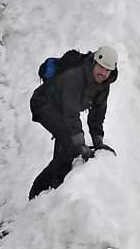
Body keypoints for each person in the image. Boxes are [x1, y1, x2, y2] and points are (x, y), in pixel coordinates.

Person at [28, 45, 119, 198]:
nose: (103, 73)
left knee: (66, 146)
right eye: (101, 67)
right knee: (70, 143)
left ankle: (55, 186)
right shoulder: (75, 76)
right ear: (94, 63)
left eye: (107, 70)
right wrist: (79, 143)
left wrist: (98, 141)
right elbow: (71, 112)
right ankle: (39, 191)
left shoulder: (104, 84)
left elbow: (97, 113)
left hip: (60, 108)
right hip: (43, 103)